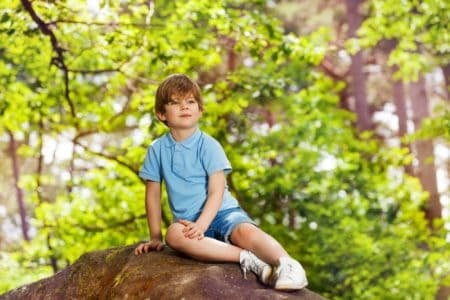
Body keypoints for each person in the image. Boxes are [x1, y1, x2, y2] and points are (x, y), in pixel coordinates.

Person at [134, 74, 308, 290]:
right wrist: (154, 237)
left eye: (190, 102)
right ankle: (247, 258)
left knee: (245, 231)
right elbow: (152, 194)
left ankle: (288, 264)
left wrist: (203, 225)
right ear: (162, 113)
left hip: (222, 213)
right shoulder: (157, 150)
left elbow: (216, 192)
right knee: (173, 235)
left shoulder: (208, 145)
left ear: (200, 110)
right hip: (188, 224)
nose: (184, 107)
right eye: (175, 103)